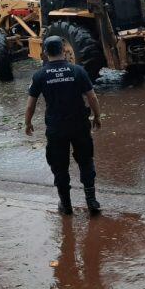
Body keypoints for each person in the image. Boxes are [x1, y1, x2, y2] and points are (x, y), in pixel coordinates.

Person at [25, 36, 102, 215]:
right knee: (85, 162)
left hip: (56, 129)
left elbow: (31, 104)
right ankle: (91, 201)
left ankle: (66, 205)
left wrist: (27, 122)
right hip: (79, 126)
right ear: (64, 50)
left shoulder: (39, 76)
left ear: (44, 52)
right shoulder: (78, 71)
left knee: (59, 166)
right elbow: (92, 97)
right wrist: (97, 116)